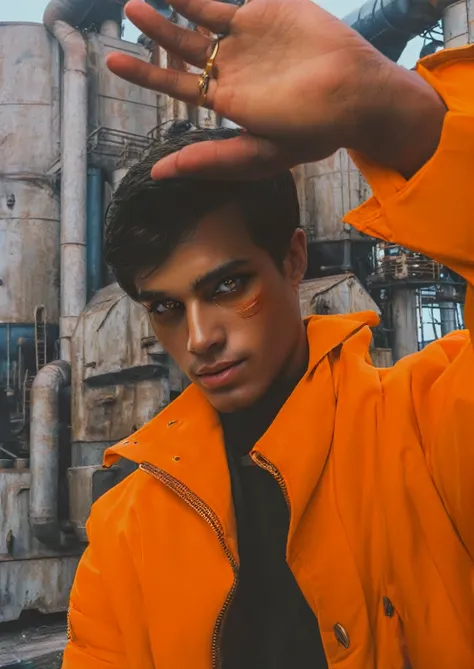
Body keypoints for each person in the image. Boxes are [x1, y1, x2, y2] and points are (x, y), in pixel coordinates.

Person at [62, 0, 474, 667]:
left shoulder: (428, 431)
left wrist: (399, 117)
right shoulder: (125, 533)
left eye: (226, 286)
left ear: (293, 257)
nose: (198, 337)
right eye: (165, 307)